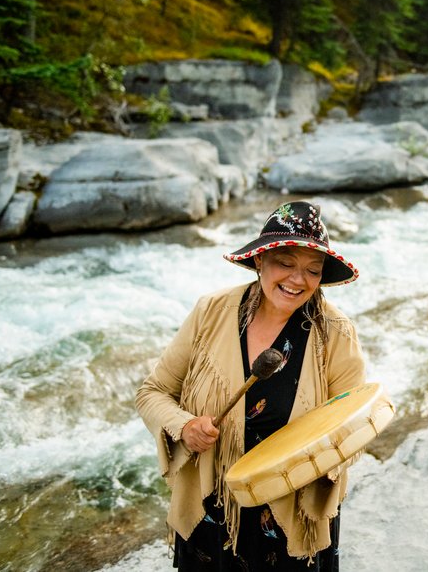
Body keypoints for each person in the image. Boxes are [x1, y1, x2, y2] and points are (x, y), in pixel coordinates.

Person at [136, 200, 365, 570]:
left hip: (291, 517)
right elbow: (152, 393)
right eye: (285, 263)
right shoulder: (211, 311)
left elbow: (353, 428)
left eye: (312, 270)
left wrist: (317, 463)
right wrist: (185, 426)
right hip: (211, 509)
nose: (297, 280)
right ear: (260, 260)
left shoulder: (335, 332)